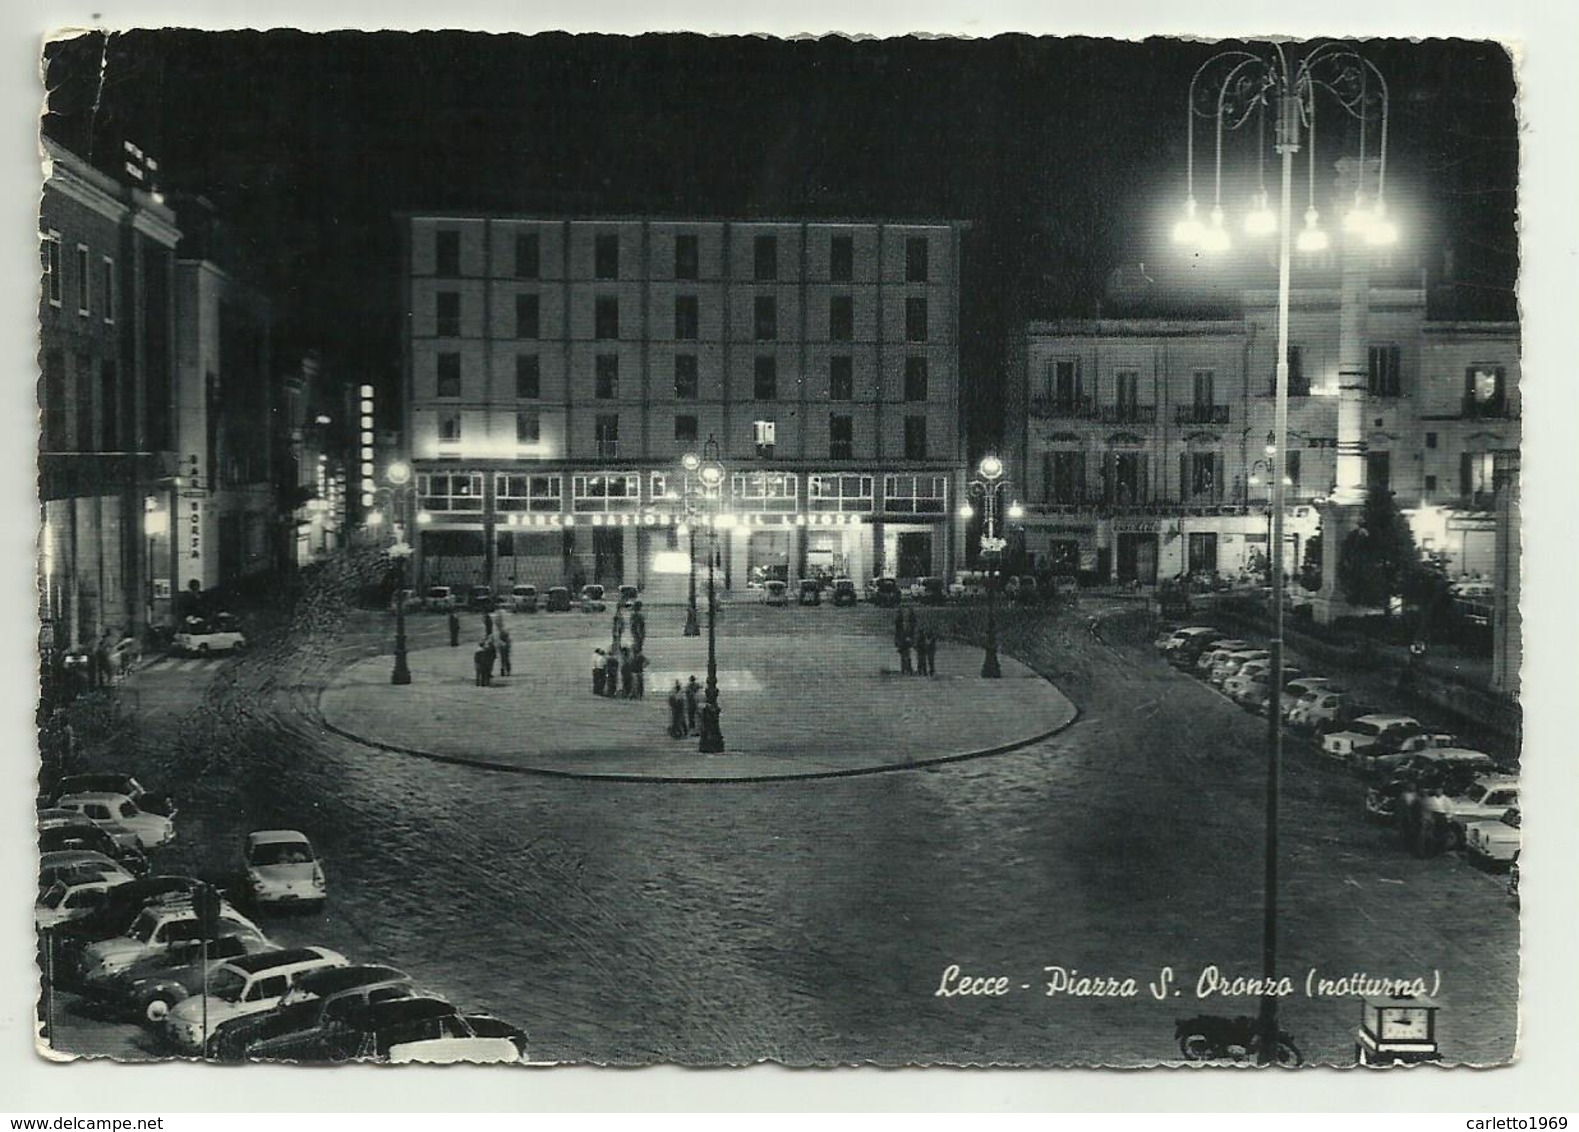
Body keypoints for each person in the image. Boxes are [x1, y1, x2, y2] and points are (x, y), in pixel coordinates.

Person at [895, 607, 913, 675]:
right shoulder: (900, 624)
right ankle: (905, 669)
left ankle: (907, 669)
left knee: (906, 655)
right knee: (904, 655)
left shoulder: (907, 624)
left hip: (905, 641)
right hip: (903, 641)